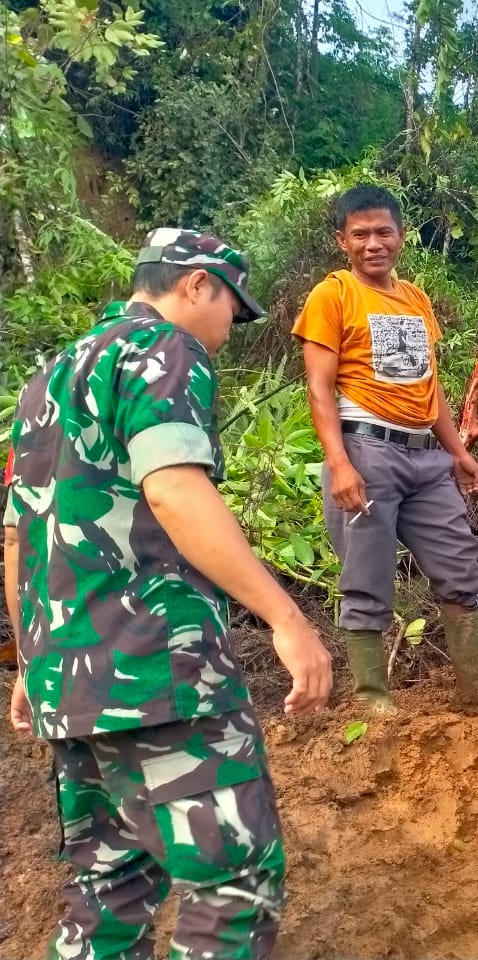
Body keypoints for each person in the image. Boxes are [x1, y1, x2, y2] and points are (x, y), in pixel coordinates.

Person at [4, 230, 333, 960]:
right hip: (158, 671)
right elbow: (175, 490)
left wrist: (33, 662)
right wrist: (285, 617)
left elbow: (18, 538)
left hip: (71, 678)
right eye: (231, 310)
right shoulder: (163, 353)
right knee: (234, 884)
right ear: (196, 286)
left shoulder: (47, 379)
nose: (227, 331)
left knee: (108, 888)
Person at [293, 185, 478, 716]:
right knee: (366, 575)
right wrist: (339, 464)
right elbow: (319, 387)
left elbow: (429, 384)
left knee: (460, 564)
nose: (373, 243)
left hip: (426, 458)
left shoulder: (416, 299)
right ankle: (372, 700)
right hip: (366, 448)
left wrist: (458, 451)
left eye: (383, 232)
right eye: (360, 234)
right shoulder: (332, 295)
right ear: (342, 240)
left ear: (401, 236)